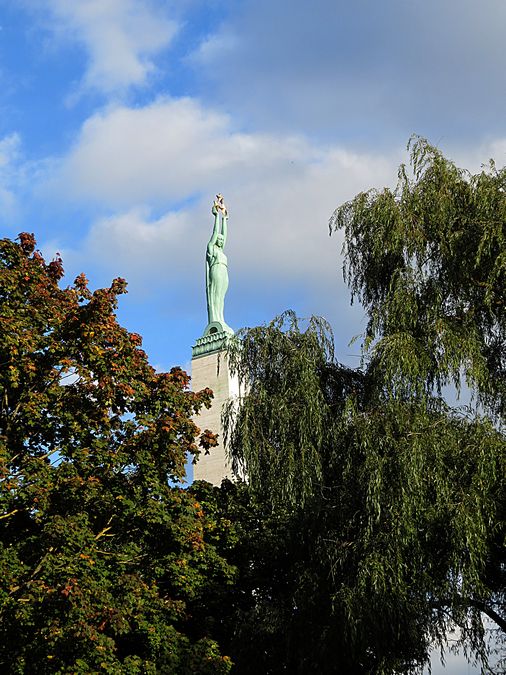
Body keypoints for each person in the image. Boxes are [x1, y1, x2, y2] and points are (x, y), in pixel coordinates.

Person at [206, 195, 231, 331]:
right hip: (216, 271)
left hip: (224, 272)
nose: (221, 240)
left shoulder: (221, 251)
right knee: (215, 295)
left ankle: (220, 318)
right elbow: (216, 232)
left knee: (221, 297)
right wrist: (217, 217)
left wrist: (225, 219)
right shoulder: (212, 249)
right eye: (219, 239)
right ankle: (215, 319)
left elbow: (224, 234)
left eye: (222, 240)